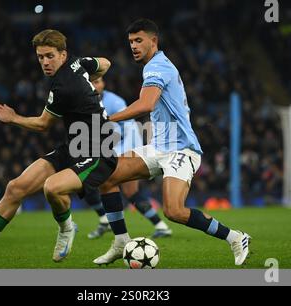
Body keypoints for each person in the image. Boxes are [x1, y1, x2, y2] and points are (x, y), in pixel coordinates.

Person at [0, 29, 118, 264]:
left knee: (52, 188)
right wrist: (92, 80)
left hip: (99, 150)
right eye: (40, 57)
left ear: (62, 55)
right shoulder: (78, 63)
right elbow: (105, 63)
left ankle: (66, 229)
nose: (45, 62)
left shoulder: (64, 86)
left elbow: (44, 124)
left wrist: (14, 118)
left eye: (50, 56)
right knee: (16, 187)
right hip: (73, 145)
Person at [93, 19, 251, 266]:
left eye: (139, 40)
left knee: (174, 211)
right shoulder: (154, 66)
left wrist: (107, 118)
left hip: (182, 149)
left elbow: (145, 105)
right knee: (106, 176)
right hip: (159, 147)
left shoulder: (158, 67)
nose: (133, 46)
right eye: (130, 42)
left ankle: (235, 237)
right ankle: (121, 240)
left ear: (153, 41)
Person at [84, 77, 172, 239]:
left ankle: (108, 222)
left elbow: (131, 130)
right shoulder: (84, 102)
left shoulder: (115, 102)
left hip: (125, 149)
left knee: (122, 189)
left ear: (104, 83)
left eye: (98, 81)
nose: (95, 85)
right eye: (92, 82)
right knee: (92, 180)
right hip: (105, 150)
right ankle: (160, 226)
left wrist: (121, 155)